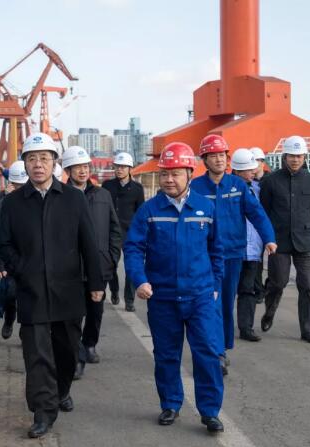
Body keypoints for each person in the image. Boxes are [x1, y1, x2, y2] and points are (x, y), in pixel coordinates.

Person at [0, 133, 103, 439]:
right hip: (32, 292)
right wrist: (22, 268)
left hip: (68, 291)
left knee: (67, 353)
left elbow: (88, 243)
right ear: (25, 164)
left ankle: (61, 390)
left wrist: (96, 282)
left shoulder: (73, 198)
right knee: (37, 356)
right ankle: (43, 412)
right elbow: (2, 244)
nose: (38, 164)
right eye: (32, 159)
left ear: (55, 163)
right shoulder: (14, 203)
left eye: (44, 158)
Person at [125, 142, 226, 434]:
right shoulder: (149, 210)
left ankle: (210, 412)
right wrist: (140, 279)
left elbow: (216, 250)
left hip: (200, 296)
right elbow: (133, 248)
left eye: (176, 173)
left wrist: (215, 284)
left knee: (207, 353)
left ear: (190, 174)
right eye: (165, 173)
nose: (169, 179)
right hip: (163, 297)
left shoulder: (206, 208)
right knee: (166, 354)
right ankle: (170, 403)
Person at [190, 135, 276, 374]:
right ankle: (215, 351)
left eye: (222, 155)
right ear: (205, 160)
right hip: (204, 257)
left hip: (231, 255)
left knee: (226, 303)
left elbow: (256, 213)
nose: (219, 160)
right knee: (210, 303)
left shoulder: (237, 186)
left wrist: (269, 238)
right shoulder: (195, 187)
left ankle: (222, 347)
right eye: (213, 156)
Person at [61, 146, 121, 380]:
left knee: (96, 312)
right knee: (73, 316)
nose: (83, 171)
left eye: (85, 166)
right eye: (77, 167)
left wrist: (112, 257)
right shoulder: (60, 196)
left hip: (100, 266)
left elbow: (114, 229)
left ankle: (89, 344)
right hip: (70, 269)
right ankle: (77, 357)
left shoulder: (103, 195)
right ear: (68, 171)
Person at [259, 135, 310, 344]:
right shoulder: (271, 181)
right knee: (278, 282)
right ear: (284, 156)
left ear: (304, 157)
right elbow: (264, 211)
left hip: (305, 241)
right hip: (279, 241)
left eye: (299, 156)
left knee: (307, 285)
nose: (295, 160)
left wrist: (304, 225)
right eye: (292, 156)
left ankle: (308, 329)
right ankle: (270, 311)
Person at [230, 149, 276, 342]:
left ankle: (246, 328)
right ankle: (220, 327)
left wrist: (268, 240)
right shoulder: (227, 190)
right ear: (238, 170)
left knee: (248, 290)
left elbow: (261, 217)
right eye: (249, 169)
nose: (253, 171)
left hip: (253, 250)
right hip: (230, 250)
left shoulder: (257, 190)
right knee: (226, 291)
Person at [101, 151, 145, 311]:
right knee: (110, 265)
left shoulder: (137, 189)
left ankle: (129, 300)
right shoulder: (107, 186)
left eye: (123, 167)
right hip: (110, 232)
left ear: (130, 168)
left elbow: (140, 212)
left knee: (131, 266)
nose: (119, 169)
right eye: (117, 167)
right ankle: (114, 291)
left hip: (130, 233)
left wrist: (141, 233)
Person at [0, 160, 28, 340]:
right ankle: (9, 320)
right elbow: (0, 235)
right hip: (10, 259)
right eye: (17, 185)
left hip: (31, 258)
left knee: (29, 297)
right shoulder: (5, 203)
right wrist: (1, 264)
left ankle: (26, 330)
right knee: (10, 294)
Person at [250, 146, 269, 304]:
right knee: (256, 260)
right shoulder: (246, 182)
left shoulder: (271, 181)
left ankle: (267, 288)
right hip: (254, 227)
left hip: (271, 225)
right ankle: (258, 289)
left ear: (263, 162)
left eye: (257, 161)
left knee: (277, 267)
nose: (255, 164)